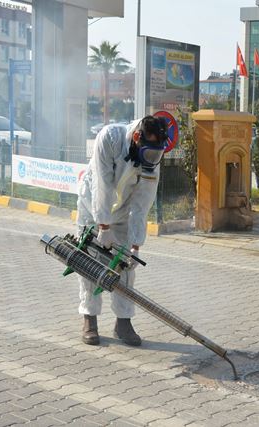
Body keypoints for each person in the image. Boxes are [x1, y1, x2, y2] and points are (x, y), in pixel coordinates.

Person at [76, 115, 167, 346]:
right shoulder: (110, 138)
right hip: (92, 206)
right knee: (90, 262)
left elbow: (143, 202)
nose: (151, 158)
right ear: (137, 136)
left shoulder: (152, 158)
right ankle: (90, 319)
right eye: (148, 151)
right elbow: (102, 184)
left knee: (125, 267)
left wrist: (136, 244)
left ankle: (123, 323)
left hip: (122, 212)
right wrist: (103, 226)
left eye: (155, 153)